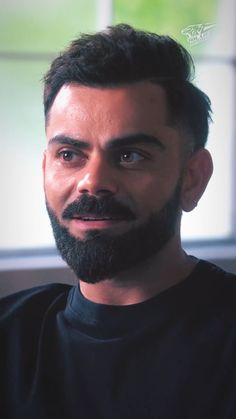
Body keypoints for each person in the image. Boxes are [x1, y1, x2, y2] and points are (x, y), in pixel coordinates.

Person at [0, 23, 236, 419]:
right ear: (45, 169)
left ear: (192, 178)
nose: (92, 182)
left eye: (130, 156)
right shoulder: (10, 336)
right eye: (69, 155)